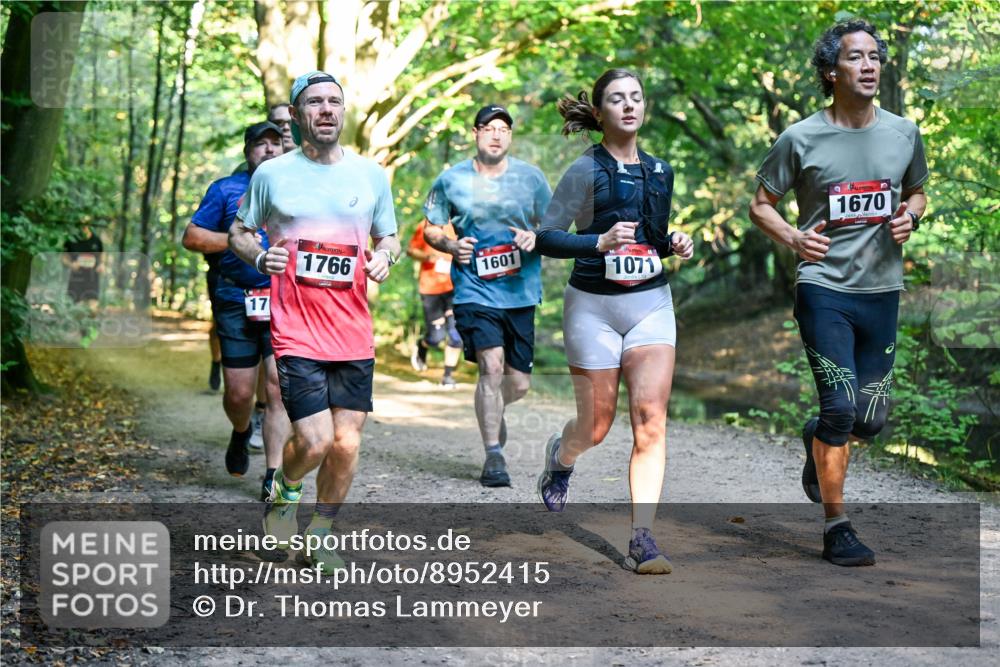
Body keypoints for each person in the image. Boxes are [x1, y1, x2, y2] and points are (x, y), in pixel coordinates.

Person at [749, 20, 928, 567]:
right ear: (831, 72)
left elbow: (917, 193)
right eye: (856, 57)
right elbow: (760, 205)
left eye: (874, 56)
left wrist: (911, 217)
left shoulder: (904, 133)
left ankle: (818, 435)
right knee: (842, 407)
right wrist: (794, 238)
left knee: (868, 419)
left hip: (883, 289)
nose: (869, 65)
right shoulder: (800, 138)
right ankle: (837, 526)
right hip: (824, 287)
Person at [230, 71, 400, 573]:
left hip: (353, 331)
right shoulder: (272, 175)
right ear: (296, 114)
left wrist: (384, 257)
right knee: (316, 440)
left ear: (343, 111)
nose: (326, 109)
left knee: (347, 443)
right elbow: (240, 232)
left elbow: (389, 237)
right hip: (296, 329)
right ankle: (285, 491)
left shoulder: (370, 175)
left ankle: (320, 535)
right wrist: (259, 257)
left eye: (334, 101)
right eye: (314, 102)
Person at [535, 69, 693, 574]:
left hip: (650, 305)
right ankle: (561, 457)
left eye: (636, 98)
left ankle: (642, 538)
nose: (629, 106)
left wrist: (675, 242)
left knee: (650, 420)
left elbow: (653, 237)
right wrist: (596, 242)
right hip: (593, 307)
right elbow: (546, 237)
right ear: (600, 112)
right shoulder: (585, 170)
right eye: (617, 99)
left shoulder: (661, 170)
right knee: (595, 427)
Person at [422, 104, 552, 487]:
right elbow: (431, 228)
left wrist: (536, 236)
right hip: (474, 290)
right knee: (490, 368)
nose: (496, 135)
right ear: (476, 133)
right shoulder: (451, 180)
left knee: (518, 384)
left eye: (504, 129)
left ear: (510, 136)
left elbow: (557, 224)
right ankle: (493, 454)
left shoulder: (531, 178)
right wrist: (450, 245)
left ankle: (494, 410)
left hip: (520, 292)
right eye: (489, 127)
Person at [182, 121, 292, 500]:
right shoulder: (226, 189)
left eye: (275, 143)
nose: (269, 149)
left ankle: (274, 473)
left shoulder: (298, 187)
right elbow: (192, 237)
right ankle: (242, 430)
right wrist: (237, 241)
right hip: (235, 298)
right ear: (248, 151)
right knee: (239, 394)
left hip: (283, 300)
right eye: (260, 144)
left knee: (277, 385)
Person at [406, 218, 462, 388]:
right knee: (437, 337)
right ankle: (423, 345)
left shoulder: (461, 223)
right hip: (430, 288)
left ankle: (447, 377)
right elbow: (411, 250)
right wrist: (428, 256)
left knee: (456, 334)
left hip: (456, 287)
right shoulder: (426, 225)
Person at [63, 225, 103, 307]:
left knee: (92, 306)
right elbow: (63, 258)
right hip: (76, 277)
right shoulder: (71, 240)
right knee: (78, 307)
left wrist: (102, 264)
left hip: (92, 277)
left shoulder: (96, 240)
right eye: (80, 225)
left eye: (86, 225)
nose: (83, 228)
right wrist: (71, 264)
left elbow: (102, 254)